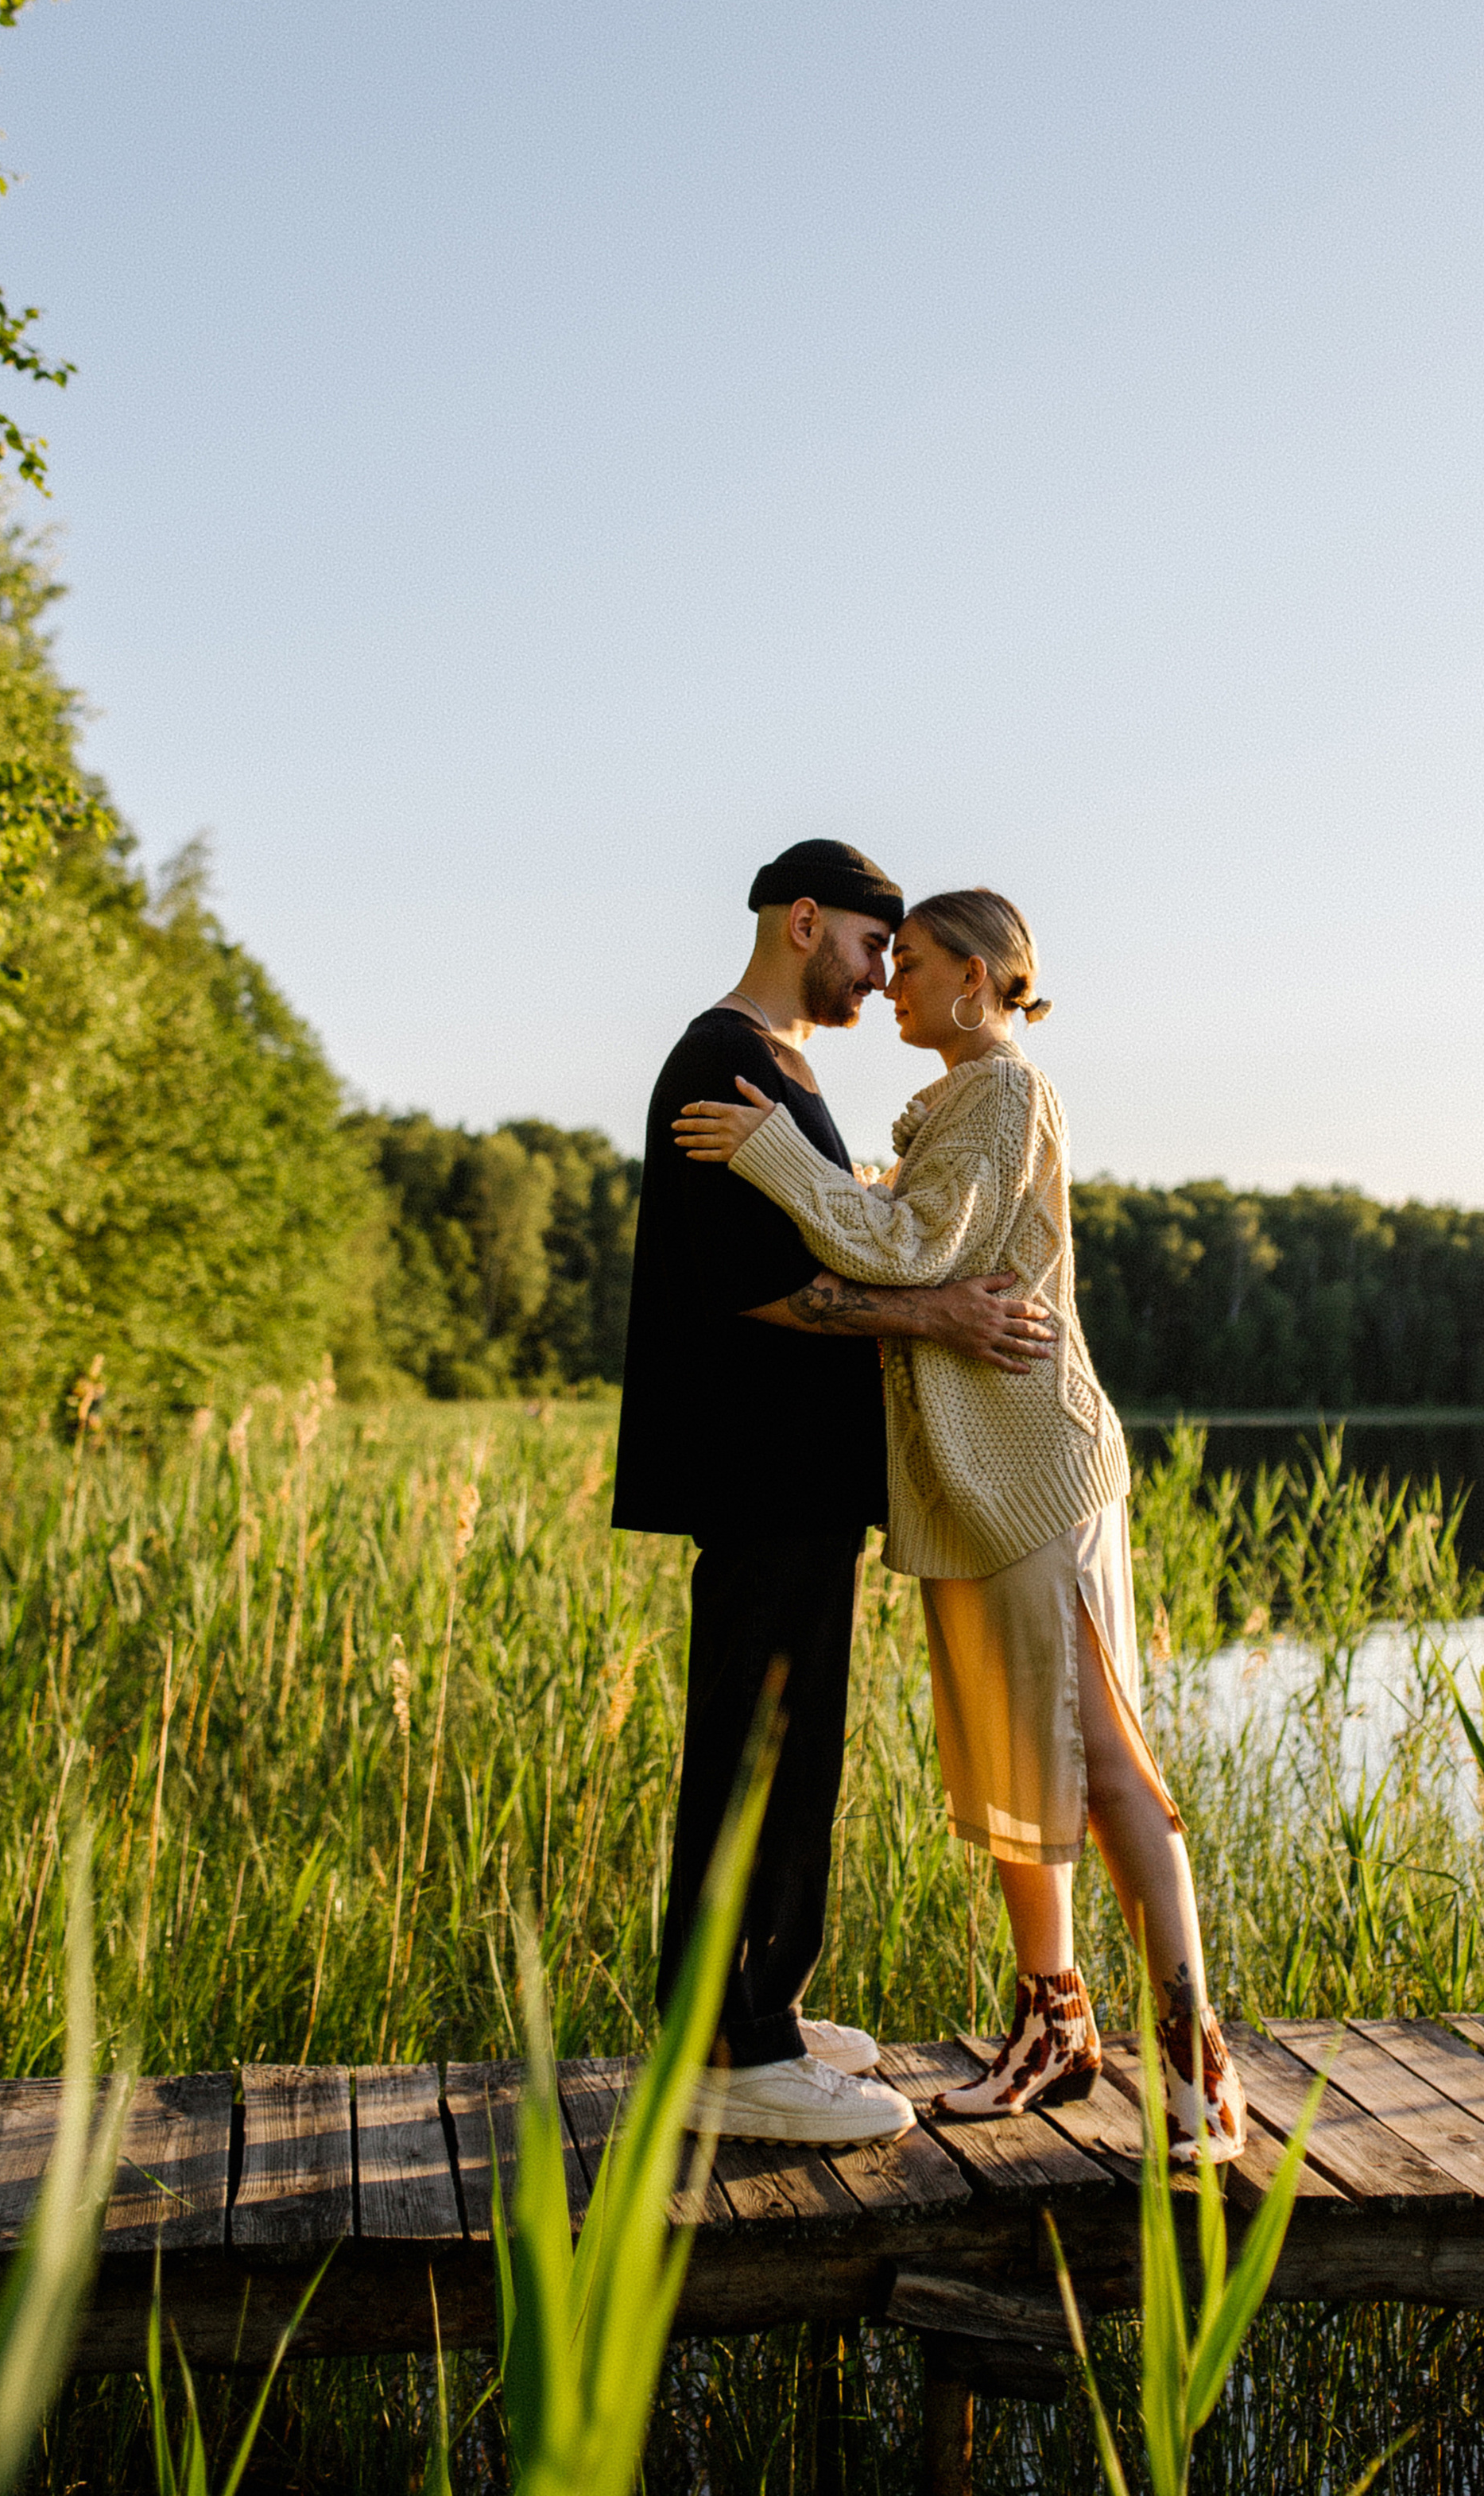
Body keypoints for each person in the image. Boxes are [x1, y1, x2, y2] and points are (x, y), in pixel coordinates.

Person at [675, 887, 1247, 2158]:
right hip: (980, 1483)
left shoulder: (1001, 1089)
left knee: (1101, 1759)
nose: (893, 984)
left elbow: (914, 1244)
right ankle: (1057, 2030)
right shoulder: (961, 1099)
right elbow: (922, 1235)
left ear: (981, 979)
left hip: (1033, 1469)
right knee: (1017, 1756)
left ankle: (1199, 2072)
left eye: (916, 962)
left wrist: (775, 1155)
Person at [614, 839, 1057, 2149]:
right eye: (873, 946)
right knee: (753, 1750)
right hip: (754, 1468)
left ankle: (764, 2010)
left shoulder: (786, 1069)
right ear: (805, 922)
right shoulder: (724, 1061)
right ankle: (727, 2052)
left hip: (803, 1476)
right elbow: (753, 1285)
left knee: (798, 1752)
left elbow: (829, 1234)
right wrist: (939, 1312)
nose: (881, 977)